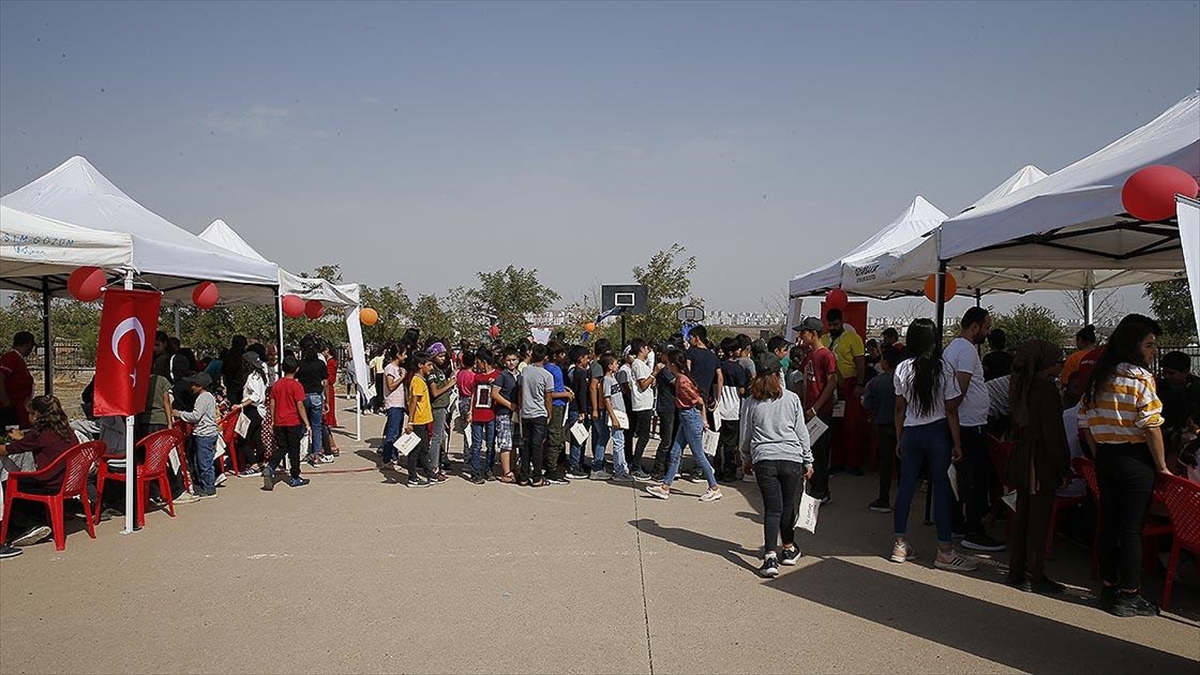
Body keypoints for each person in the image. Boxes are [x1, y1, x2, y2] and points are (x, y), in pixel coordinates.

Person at [1079, 314, 1170, 617]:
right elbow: (1151, 425)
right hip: (1135, 460)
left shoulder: (1098, 377)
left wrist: (1099, 451)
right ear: (1134, 347)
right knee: (1131, 529)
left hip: (1105, 457)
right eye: (1149, 344)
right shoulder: (1139, 378)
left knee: (1108, 522)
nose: (1153, 350)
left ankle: (1109, 586)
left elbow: (1086, 422)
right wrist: (1161, 466)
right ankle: (1129, 595)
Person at [890, 318, 977, 573]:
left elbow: (899, 408)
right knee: (941, 490)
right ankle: (945, 551)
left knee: (906, 487)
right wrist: (957, 443)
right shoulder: (944, 369)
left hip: (911, 432)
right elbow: (951, 409)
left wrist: (899, 438)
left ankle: (899, 544)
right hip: (937, 432)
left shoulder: (903, 368)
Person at [739, 352, 814, 578]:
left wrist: (746, 459)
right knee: (788, 505)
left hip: (764, 459)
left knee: (772, 509)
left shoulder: (751, 402)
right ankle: (789, 548)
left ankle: (770, 556)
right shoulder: (792, 399)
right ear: (779, 374)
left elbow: (746, 434)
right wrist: (808, 459)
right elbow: (802, 432)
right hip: (791, 457)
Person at [1006, 340, 1071, 594]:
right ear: (1047, 365)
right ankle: (1035, 573)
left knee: (1022, 514)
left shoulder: (1021, 385)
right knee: (1039, 518)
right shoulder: (1046, 391)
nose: (1061, 365)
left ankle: (1016, 570)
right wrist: (1063, 468)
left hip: (1022, 456)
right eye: (1058, 362)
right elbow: (1053, 435)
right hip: (1039, 461)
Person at [943, 307, 1006, 553]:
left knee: (963, 478)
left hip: (965, 422)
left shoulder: (954, 348)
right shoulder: (967, 350)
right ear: (975, 326)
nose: (988, 333)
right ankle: (973, 530)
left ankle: (959, 522)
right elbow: (958, 390)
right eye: (987, 327)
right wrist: (952, 413)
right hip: (969, 424)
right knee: (976, 480)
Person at [644, 350, 722, 503]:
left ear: (673, 364)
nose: (667, 366)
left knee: (698, 455)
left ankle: (714, 487)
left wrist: (702, 418)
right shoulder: (682, 378)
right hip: (686, 417)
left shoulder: (682, 380)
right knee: (675, 452)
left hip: (690, 418)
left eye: (668, 363)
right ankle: (665, 487)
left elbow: (698, 400)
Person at [0, 395, 76, 549]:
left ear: (36, 415)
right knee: (23, 481)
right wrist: (23, 438)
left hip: (50, 483)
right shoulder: (65, 430)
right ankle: (38, 519)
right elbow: (33, 442)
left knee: (8, 485)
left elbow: (8, 450)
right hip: (69, 481)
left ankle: (26, 526)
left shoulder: (39, 433)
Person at [821, 308, 867, 476]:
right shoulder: (824, 339)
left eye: (836, 324)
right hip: (830, 387)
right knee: (835, 426)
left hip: (850, 384)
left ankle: (854, 462)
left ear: (842, 322)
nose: (833, 327)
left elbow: (860, 363)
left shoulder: (853, 339)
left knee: (852, 425)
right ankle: (837, 461)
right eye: (830, 325)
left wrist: (860, 384)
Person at [796, 317, 837, 503]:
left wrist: (816, 407)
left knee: (820, 453)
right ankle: (815, 488)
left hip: (820, 412)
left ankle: (822, 492)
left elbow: (831, 383)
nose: (800, 335)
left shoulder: (826, 355)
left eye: (803, 332)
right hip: (809, 410)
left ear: (812, 334)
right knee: (810, 451)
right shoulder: (810, 354)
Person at [862, 347, 900, 513]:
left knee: (885, 463)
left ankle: (883, 499)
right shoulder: (904, 382)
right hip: (903, 427)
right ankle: (903, 498)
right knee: (903, 463)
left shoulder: (875, 382)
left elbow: (867, 404)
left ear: (884, 363)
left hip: (883, 425)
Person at [263, 356, 309, 490]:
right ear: (297, 369)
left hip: (279, 421)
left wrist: (272, 420)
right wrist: (306, 422)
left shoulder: (277, 385)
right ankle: (295, 476)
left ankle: (271, 466)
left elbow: (272, 403)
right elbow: (300, 405)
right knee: (294, 450)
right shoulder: (296, 385)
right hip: (292, 421)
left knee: (282, 448)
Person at [172, 373, 219, 498]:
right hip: (209, 433)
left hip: (205, 434)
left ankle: (209, 488)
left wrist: (179, 413)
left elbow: (195, 416)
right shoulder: (209, 397)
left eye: (194, 384)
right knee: (203, 461)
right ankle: (206, 486)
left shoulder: (202, 398)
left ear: (200, 386)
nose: (191, 387)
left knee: (204, 463)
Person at [517, 344, 555, 487]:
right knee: (537, 446)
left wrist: (521, 408)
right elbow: (548, 398)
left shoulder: (525, 371)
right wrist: (549, 414)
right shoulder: (547, 376)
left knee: (526, 445)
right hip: (539, 414)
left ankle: (523, 476)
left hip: (526, 413)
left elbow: (520, 392)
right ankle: (537, 477)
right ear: (545, 358)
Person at [716, 337, 750, 483]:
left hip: (718, 410)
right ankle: (729, 471)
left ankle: (716, 469)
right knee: (730, 444)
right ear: (732, 352)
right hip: (732, 412)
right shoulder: (738, 369)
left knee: (717, 443)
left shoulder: (718, 367)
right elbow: (742, 390)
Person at [594, 354, 632, 481]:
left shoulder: (614, 378)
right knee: (618, 442)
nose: (617, 365)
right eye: (615, 364)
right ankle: (619, 471)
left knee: (620, 441)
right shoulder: (606, 380)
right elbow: (607, 399)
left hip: (620, 413)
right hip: (615, 414)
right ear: (610, 366)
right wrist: (613, 417)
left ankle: (622, 467)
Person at [231, 350, 269, 476]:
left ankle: (253, 464)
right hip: (260, 410)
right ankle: (260, 461)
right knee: (257, 438)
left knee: (242, 440)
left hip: (252, 410)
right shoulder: (261, 374)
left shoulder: (252, 377)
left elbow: (254, 396)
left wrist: (241, 405)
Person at [405, 351, 438, 488]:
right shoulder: (417, 381)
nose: (431, 368)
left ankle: (430, 473)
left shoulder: (421, 380)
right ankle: (412, 477)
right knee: (415, 450)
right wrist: (410, 421)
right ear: (420, 365)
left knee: (424, 448)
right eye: (429, 365)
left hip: (424, 419)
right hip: (417, 420)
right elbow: (413, 402)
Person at [543, 341, 575, 484]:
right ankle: (551, 469)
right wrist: (563, 395)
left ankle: (553, 464)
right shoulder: (549, 369)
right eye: (561, 354)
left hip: (561, 406)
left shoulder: (556, 368)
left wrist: (565, 390)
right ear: (554, 356)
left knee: (560, 437)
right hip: (554, 406)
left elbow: (557, 387)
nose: (564, 356)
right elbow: (548, 393)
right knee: (555, 438)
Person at [1157, 351, 1200, 453]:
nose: (1167, 376)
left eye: (1171, 373)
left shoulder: (1196, 388)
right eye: (1165, 373)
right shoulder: (1161, 387)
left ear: (1185, 371)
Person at [296, 340, 331, 465]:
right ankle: (316, 455)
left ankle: (300, 452)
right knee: (317, 426)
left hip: (303, 396)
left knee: (302, 425)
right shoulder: (320, 364)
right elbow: (325, 382)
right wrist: (327, 400)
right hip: (316, 395)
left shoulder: (300, 364)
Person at [468, 351, 499, 484]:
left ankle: (488, 469)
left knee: (491, 444)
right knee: (476, 444)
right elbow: (473, 395)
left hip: (491, 414)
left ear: (484, 362)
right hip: (477, 414)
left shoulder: (497, 375)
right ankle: (475, 471)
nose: (477, 365)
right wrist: (470, 411)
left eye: (478, 362)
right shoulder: (477, 377)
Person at [491, 348, 521, 483]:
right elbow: (494, 393)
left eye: (513, 360)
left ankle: (513, 468)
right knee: (505, 443)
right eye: (508, 360)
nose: (511, 363)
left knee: (514, 443)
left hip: (516, 414)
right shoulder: (502, 376)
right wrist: (510, 405)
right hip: (504, 413)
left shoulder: (519, 375)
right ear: (504, 361)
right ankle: (506, 472)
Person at [650, 346, 679, 482]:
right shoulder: (665, 370)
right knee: (666, 441)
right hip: (666, 407)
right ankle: (658, 470)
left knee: (672, 440)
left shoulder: (671, 369)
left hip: (673, 406)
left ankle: (670, 467)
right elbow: (676, 383)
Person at [426, 342, 456, 473]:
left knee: (440, 438)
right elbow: (435, 392)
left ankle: (435, 464)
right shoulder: (432, 372)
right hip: (437, 407)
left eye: (444, 356)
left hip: (443, 407)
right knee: (436, 439)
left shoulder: (440, 370)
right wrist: (450, 384)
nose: (443, 359)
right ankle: (434, 467)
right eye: (440, 356)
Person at [565, 345, 593, 479]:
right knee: (577, 438)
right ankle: (574, 465)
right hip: (577, 409)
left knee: (583, 437)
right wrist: (583, 411)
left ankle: (580, 462)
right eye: (586, 358)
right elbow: (581, 393)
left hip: (580, 408)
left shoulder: (578, 371)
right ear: (580, 359)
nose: (588, 360)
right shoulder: (580, 373)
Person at [0, 331, 36, 429]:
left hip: (20, 407)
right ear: (28, 344)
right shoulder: (10, 358)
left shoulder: (18, 359)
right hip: (12, 407)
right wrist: (6, 402)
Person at [378, 344, 408, 467]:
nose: (405, 356)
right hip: (393, 404)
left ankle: (394, 456)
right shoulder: (390, 368)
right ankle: (387, 458)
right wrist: (402, 378)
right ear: (398, 354)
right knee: (392, 433)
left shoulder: (398, 368)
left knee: (398, 432)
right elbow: (390, 386)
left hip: (400, 404)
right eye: (404, 353)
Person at [1061, 325, 1098, 390]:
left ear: (1080, 339)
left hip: (1078, 395)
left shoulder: (1073, 358)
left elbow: (1065, 382)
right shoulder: (1102, 355)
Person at [322, 344, 341, 456]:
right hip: (327, 389)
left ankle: (332, 445)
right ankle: (330, 445)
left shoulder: (331, 362)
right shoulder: (328, 361)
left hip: (328, 390)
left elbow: (330, 379)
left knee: (326, 420)